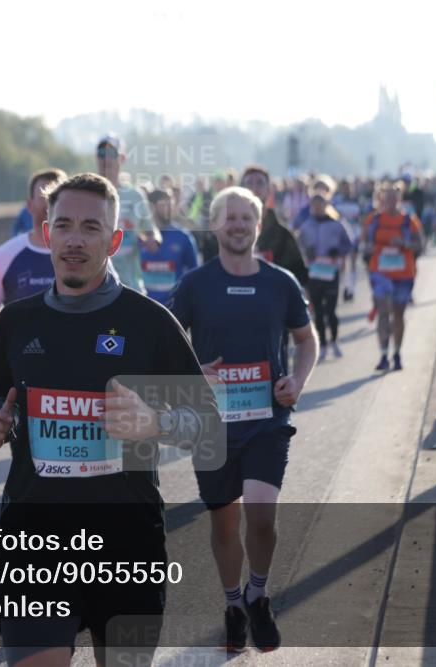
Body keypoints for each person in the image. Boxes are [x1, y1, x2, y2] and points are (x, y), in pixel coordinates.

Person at [0, 172, 220, 667]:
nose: (73, 239)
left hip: (126, 546)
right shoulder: (17, 322)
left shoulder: (150, 323)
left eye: (90, 227)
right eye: (62, 224)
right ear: (46, 233)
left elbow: (211, 429)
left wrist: (157, 424)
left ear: (113, 240)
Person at [169, 185, 317, 653]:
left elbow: (306, 340)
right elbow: (167, 345)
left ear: (258, 225)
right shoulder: (194, 284)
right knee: (224, 525)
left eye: (245, 218)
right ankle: (233, 604)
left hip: (267, 421)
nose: (237, 225)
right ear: (214, 226)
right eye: (228, 217)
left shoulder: (280, 282)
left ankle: (258, 592)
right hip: (211, 425)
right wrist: (195, 374)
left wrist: (297, 381)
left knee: (261, 513)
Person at [0, 169, 64, 331]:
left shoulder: (84, 252)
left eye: (58, 197)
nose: (51, 204)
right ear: (29, 205)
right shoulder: (6, 254)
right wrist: (10, 338)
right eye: (45, 197)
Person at [362, 181, 424, 371]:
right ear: (381, 199)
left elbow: (420, 245)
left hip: (403, 274)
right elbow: (364, 245)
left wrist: (404, 244)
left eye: (393, 198)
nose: (390, 202)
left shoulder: (409, 221)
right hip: (380, 272)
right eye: (386, 198)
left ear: (399, 199)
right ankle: (383, 354)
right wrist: (369, 249)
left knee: (398, 314)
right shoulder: (373, 220)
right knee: (383, 310)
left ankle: (396, 353)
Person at [95, 134, 161, 292]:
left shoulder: (135, 196)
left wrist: (151, 241)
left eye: (111, 154)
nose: (106, 159)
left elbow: (153, 233)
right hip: (95, 288)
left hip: (130, 287)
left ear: (122, 158)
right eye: (101, 154)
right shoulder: (85, 193)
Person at [298, 193, 353, 359]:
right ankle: (322, 345)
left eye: (319, 205)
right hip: (313, 273)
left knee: (331, 310)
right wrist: (306, 253)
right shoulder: (306, 226)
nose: (316, 208)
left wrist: (339, 252)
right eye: (313, 206)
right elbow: (298, 246)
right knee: (318, 312)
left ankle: (334, 341)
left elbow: (348, 244)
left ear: (325, 205)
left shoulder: (336, 224)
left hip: (331, 272)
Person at [240, 166, 308, 287]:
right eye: (249, 183)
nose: (254, 188)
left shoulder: (283, 236)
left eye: (260, 183)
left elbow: (299, 278)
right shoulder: (228, 233)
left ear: (269, 190)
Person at [139, 188, 199, 304]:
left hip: (174, 306)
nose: (170, 208)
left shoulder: (183, 237)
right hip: (143, 305)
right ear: (151, 207)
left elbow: (195, 273)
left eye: (171, 203)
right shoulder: (139, 236)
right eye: (165, 204)